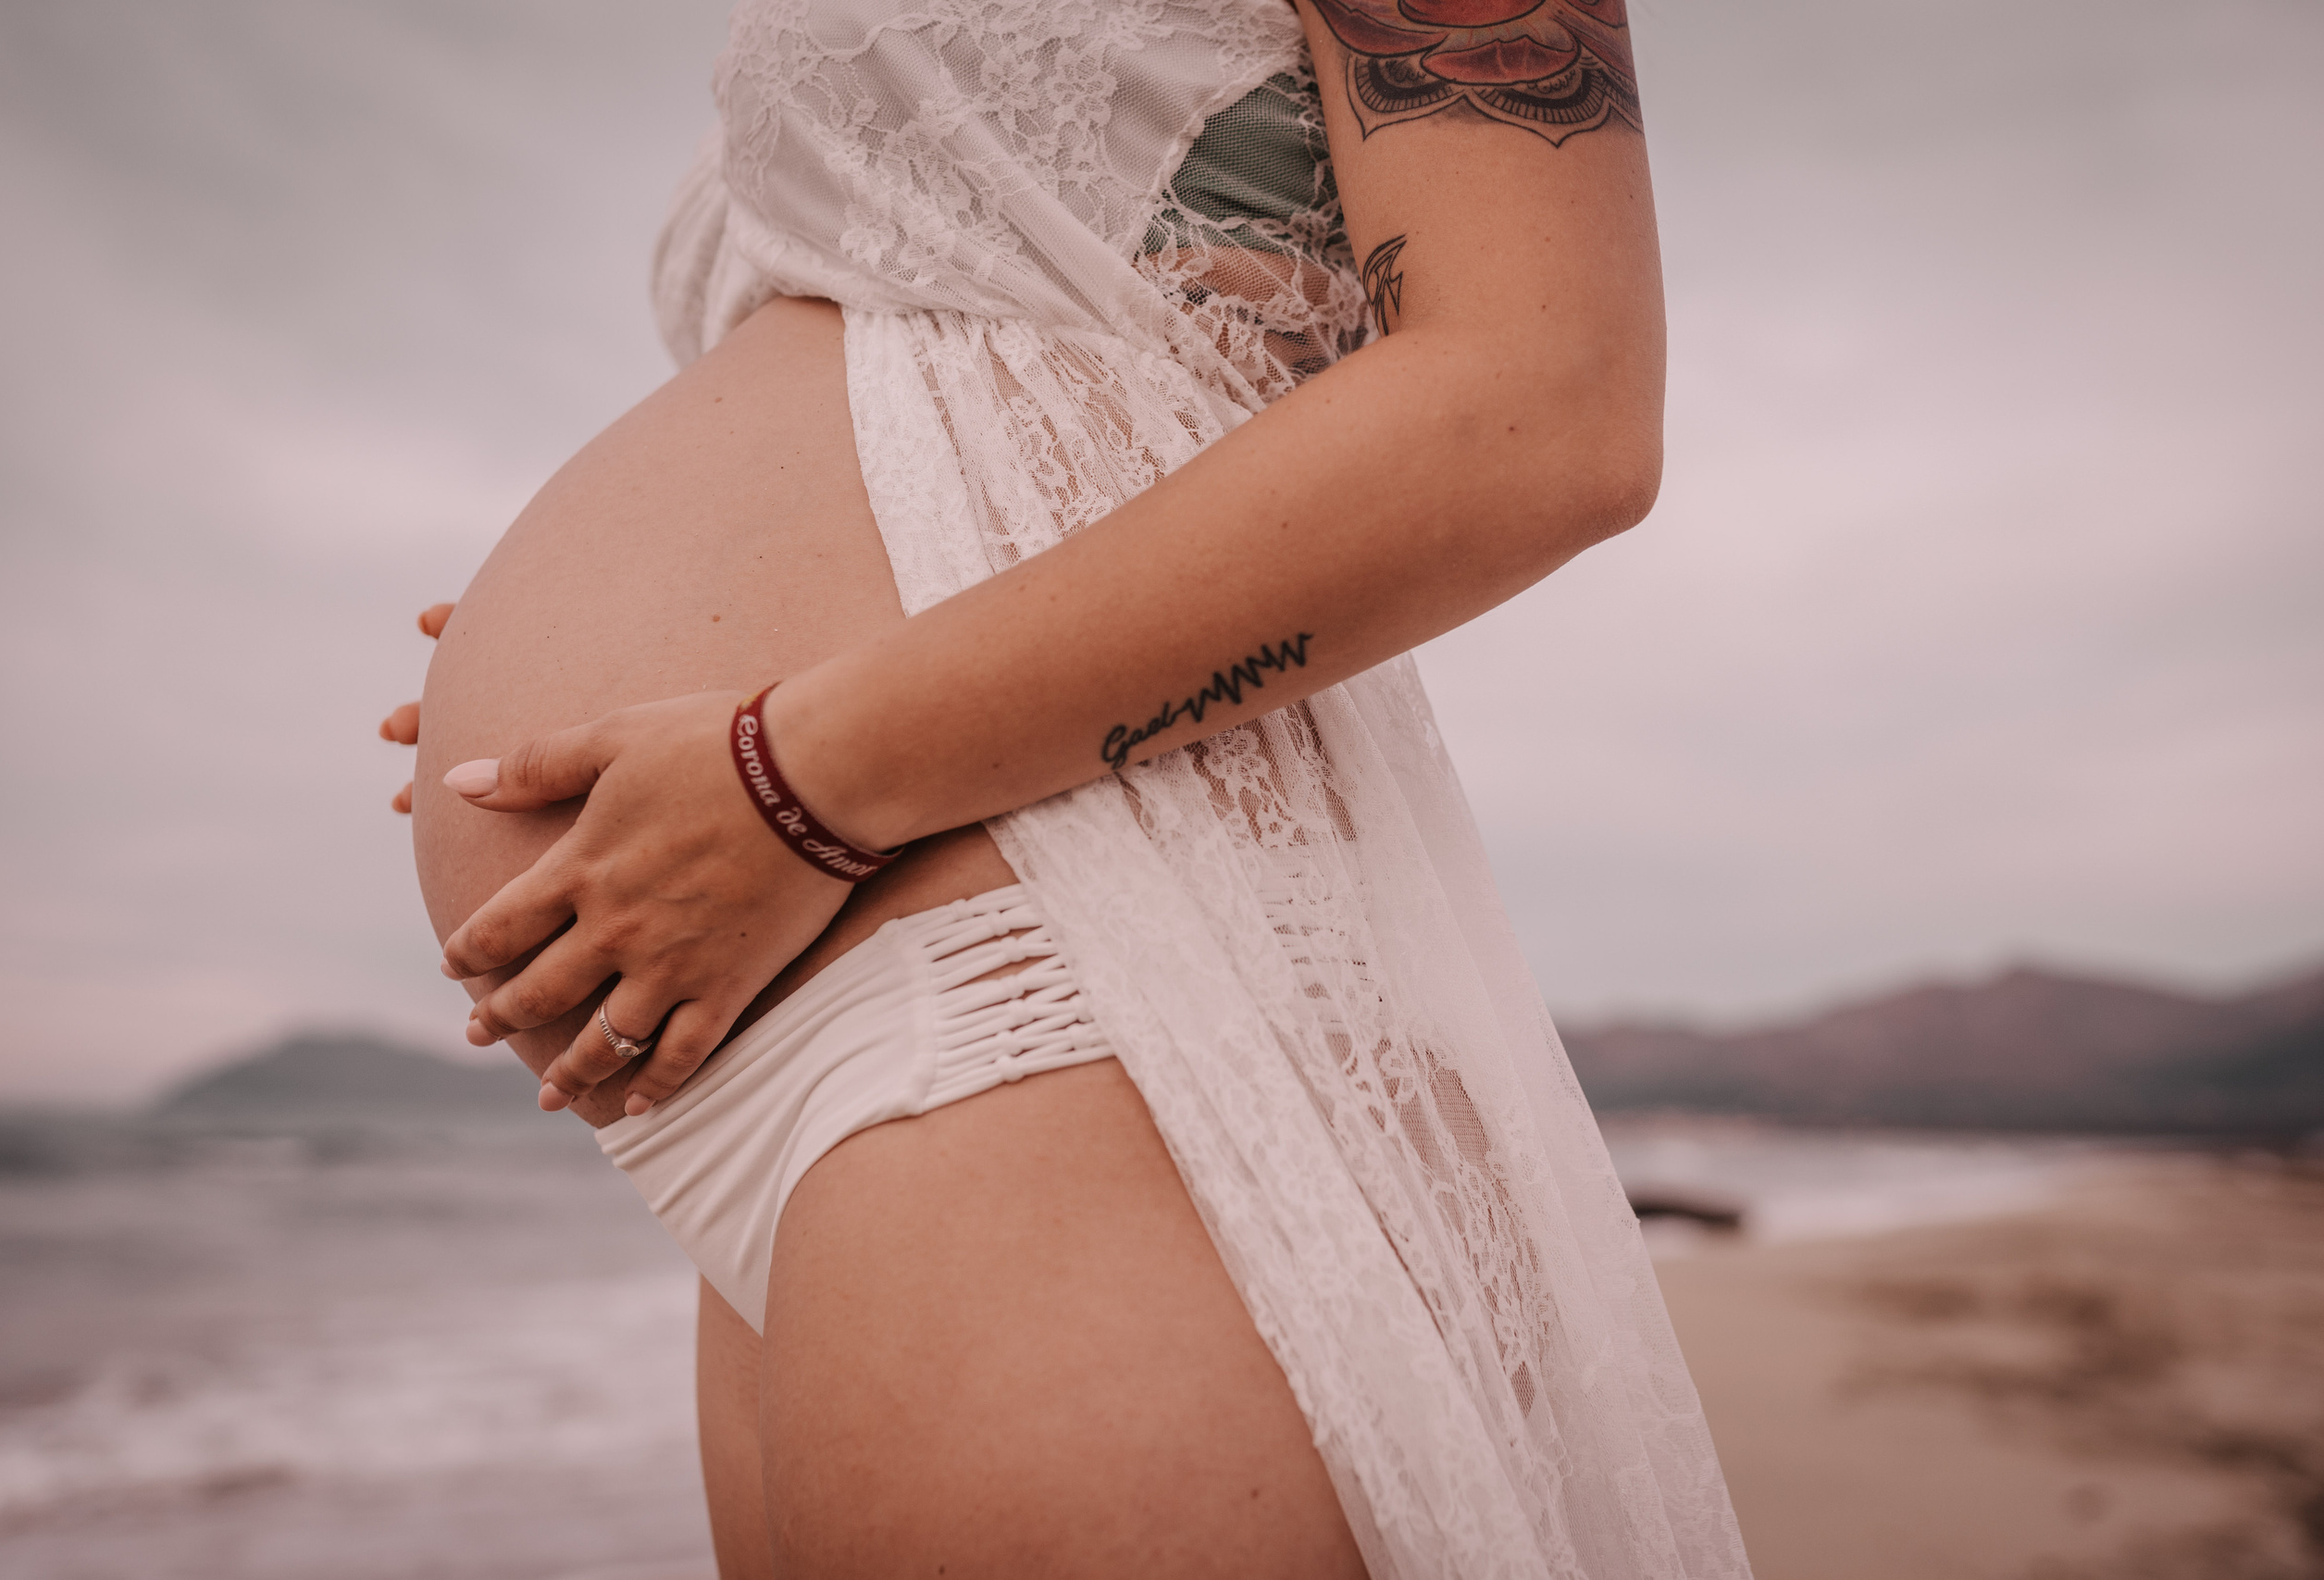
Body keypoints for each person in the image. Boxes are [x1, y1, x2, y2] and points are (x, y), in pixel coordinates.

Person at [385, 2, 1750, 1575]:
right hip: (829, 1040)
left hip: (1069, 983)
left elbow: (1545, 401)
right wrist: (591, 646)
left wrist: (788, 775)